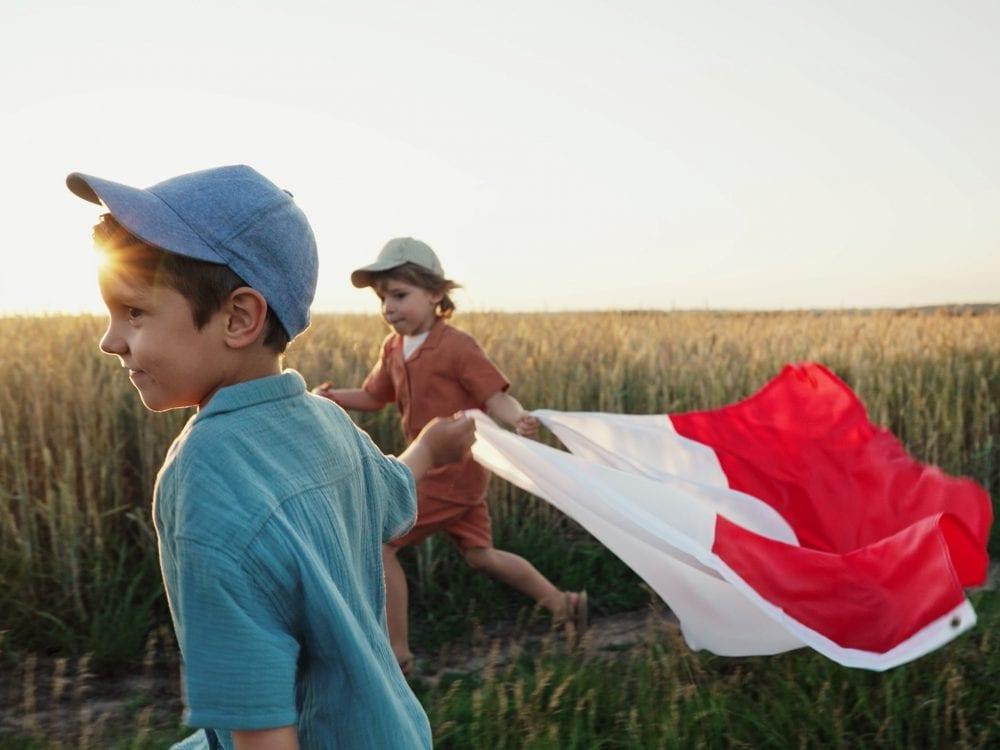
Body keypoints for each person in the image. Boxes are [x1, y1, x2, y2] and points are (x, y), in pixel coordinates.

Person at [67, 166, 474, 750]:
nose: (110, 340)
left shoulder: (203, 476)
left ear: (238, 318)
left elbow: (261, 723)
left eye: (133, 312)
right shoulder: (326, 420)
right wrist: (430, 449)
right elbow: (391, 495)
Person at [314, 237, 587, 674]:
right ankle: (564, 603)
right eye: (383, 298)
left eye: (400, 296)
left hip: (451, 474)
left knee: (381, 541)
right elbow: (374, 394)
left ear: (436, 294)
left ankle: (397, 657)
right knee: (481, 555)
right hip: (439, 473)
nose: (389, 307)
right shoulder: (392, 349)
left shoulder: (456, 346)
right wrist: (332, 398)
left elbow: (494, 396)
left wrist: (517, 419)